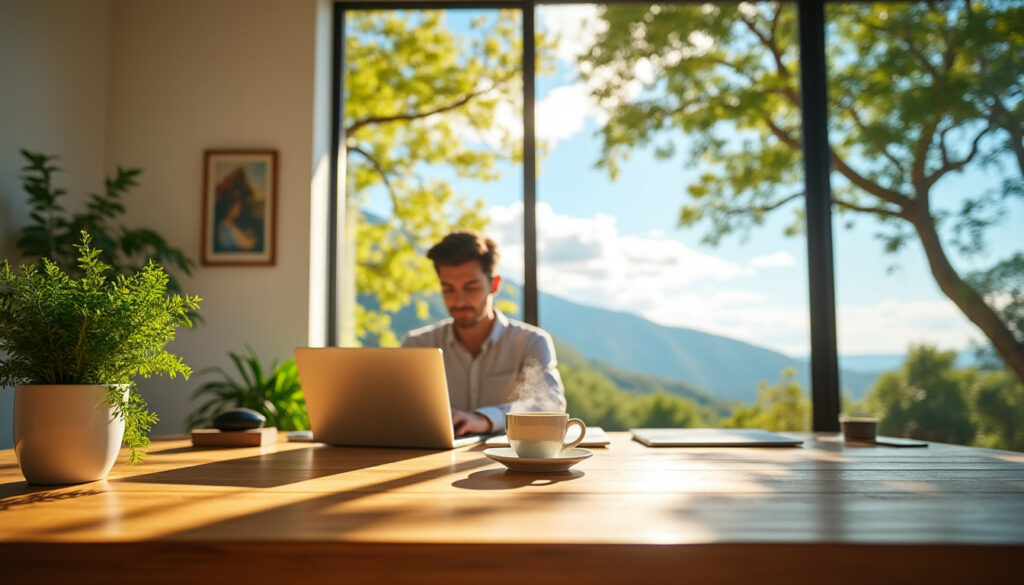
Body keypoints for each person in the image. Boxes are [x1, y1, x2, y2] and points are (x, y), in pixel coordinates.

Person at [402, 231, 566, 436]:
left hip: (510, 462)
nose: (459, 301)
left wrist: (485, 419)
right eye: (448, 289)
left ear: (494, 285)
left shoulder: (531, 342)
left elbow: (549, 406)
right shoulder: (418, 345)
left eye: (471, 288)